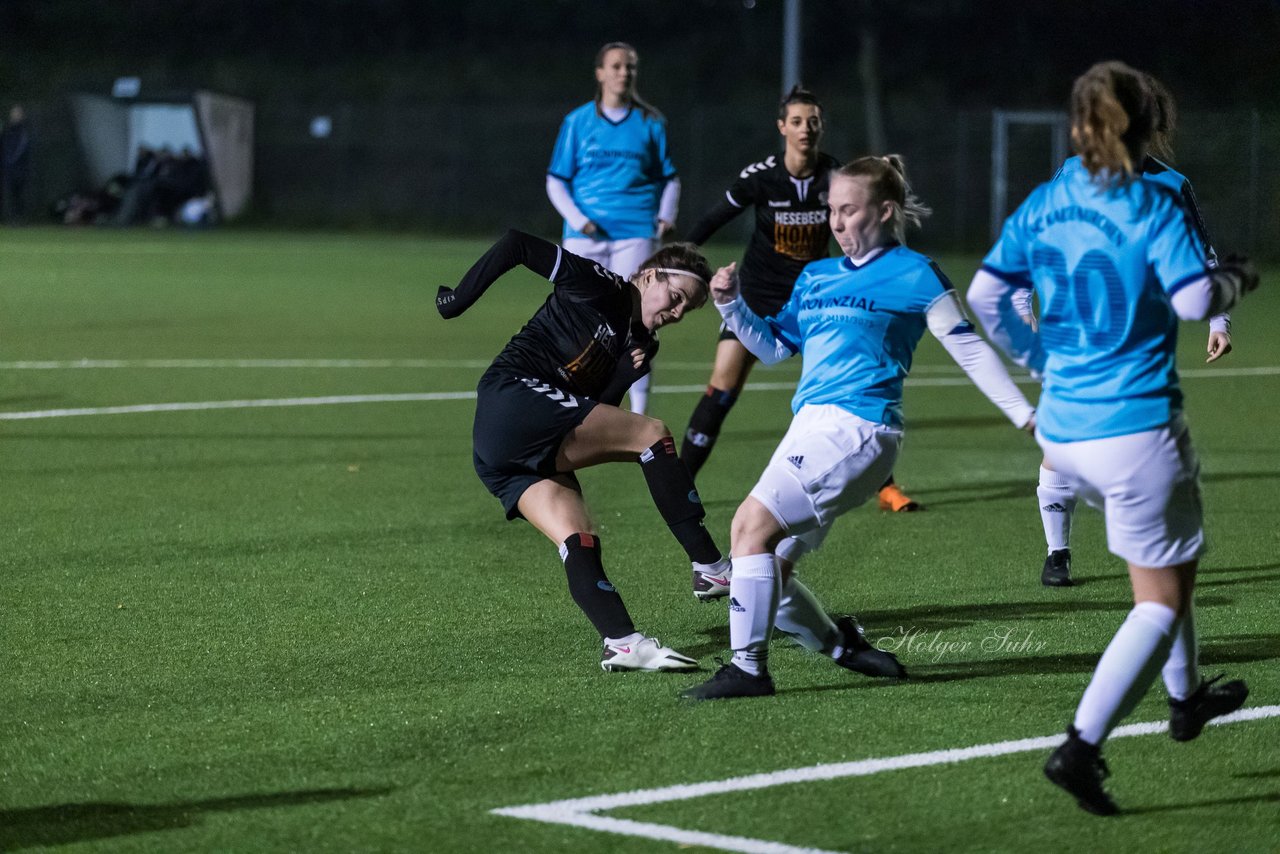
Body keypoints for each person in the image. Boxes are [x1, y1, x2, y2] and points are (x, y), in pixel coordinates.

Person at [967, 61, 1255, 814]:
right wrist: (1235, 283)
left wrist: (1037, 358)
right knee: (1158, 601)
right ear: (1143, 124)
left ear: (1077, 126)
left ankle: (1187, 697)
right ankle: (1081, 747)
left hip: (1063, 432)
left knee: (1172, 563)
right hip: (1135, 430)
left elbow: (983, 294)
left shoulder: (1047, 197)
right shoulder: (1153, 198)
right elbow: (1195, 298)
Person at [679, 156, 1036, 701]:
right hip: (808, 430)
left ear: (885, 211)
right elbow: (775, 348)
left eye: (848, 211)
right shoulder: (815, 276)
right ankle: (840, 644)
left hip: (860, 431)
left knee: (749, 528)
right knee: (767, 565)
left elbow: (968, 349)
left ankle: (748, 669)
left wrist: (1026, 416)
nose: (836, 223)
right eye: (831, 211)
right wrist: (731, 306)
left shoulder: (915, 274)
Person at [971, 73, 1235, 588]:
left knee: (1147, 463)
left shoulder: (1171, 187)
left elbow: (1202, 260)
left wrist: (1218, 319)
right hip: (1074, 343)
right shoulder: (1070, 175)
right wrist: (1025, 298)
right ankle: (1059, 553)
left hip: (1139, 350)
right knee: (1062, 450)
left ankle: (1154, 562)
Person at [436, 229, 731, 672]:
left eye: (688, 308)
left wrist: (621, 379)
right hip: (514, 397)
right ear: (648, 276)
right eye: (675, 295)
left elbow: (596, 417)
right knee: (652, 433)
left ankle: (623, 643)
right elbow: (517, 243)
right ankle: (710, 565)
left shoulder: (641, 344)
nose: (677, 311)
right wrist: (456, 300)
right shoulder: (604, 285)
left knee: (579, 536)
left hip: (508, 449)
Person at [680, 86, 924, 514]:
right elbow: (717, 215)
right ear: (782, 128)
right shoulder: (762, 176)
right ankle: (680, 483)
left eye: (812, 121)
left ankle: (884, 487)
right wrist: (681, 257)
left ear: (821, 127)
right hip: (756, 293)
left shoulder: (836, 177)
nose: (805, 129)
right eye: (796, 121)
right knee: (723, 385)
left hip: (816, 299)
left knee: (846, 389)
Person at [546, 42, 680, 416]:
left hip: (635, 231)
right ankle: (567, 399)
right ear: (600, 72)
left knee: (635, 320)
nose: (624, 72)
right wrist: (578, 220)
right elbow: (556, 180)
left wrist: (666, 214)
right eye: (616, 66)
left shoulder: (650, 122)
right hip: (584, 237)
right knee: (575, 316)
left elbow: (669, 178)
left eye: (630, 67)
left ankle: (637, 412)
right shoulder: (577, 122)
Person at [1, 104, 32, 225]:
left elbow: (19, 150)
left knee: (19, 195)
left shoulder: (23, 132)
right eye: (13, 113)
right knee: (9, 194)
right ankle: (11, 218)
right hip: (8, 170)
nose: (15, 116)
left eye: (17, 113)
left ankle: (19, 219)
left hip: (20, 170)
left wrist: (9, 162)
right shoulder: (7, 131)